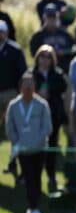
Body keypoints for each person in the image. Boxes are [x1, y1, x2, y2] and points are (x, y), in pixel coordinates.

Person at [6, 72, 53, 213]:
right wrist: (17, 142)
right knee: (28, 177)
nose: (28, 88)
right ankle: (30, 207)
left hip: (38, 149)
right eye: (25, 85)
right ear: (21, 87)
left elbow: (47, 127)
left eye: (30, 85)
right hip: (22, 150)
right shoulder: (13, 105)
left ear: (34, 86)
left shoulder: (41, 104)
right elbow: (10, 127)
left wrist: (37, 141)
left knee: (37, 177)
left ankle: (35, 207)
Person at [30, 46, 67, 192]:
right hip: (34, 116)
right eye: (42, 56)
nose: (45, 60)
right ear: (37, 58)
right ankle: (32, 176)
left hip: (53, 115)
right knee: (34, 147)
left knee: (52, 146)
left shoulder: (57, 74)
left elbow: (63, 87)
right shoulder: (31, 74)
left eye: (48, 57)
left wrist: (49, 90)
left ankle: (51, 175)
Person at [1, 21, 29, 161]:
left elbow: (23, 73)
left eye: (1, 32)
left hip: (10, 93)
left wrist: (21, 93)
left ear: (6, 33)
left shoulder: (15, 50)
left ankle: (14, 162)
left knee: (13, 129)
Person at [29, 4, 76, 73]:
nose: (51, 19)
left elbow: (75, 49)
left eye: (54, 16)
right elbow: (34, 54)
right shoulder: (37, 36)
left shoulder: (65, 34)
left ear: (57, 17)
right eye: (49, 16)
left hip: (64, 70)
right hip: (45, 71)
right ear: (44, 17)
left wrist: (64, 52)